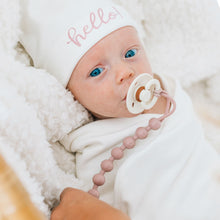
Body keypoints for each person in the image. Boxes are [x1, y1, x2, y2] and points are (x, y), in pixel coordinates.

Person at [20, 0, 220, 219]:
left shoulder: (171, 96)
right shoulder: (92, 141)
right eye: (97, 72)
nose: (125, 72)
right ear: (70, 93)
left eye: (130, 54)